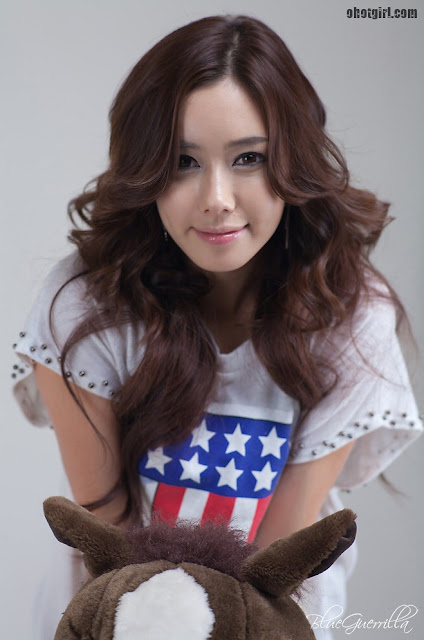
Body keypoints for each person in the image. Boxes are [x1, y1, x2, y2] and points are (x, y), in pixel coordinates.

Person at [11, 14, 422, 640]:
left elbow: (268, 571)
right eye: (183, 161)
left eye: (249, 158)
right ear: (145, 170)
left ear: (293, 162)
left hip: (264, 616)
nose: (217, 198)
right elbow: (110, 542)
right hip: (115, 612)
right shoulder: (86, 303)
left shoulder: (348, 315)